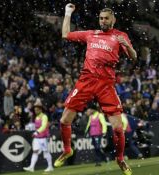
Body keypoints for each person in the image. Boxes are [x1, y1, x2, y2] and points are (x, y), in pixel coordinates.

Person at [54, 3, 137, 175]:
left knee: (118, 127)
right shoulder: (91, 34)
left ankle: (120, 159)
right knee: (64, 120)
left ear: (113, 19)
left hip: (106, 84)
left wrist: (127, 46)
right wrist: (68, 13)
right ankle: (67, 149)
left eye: (106, 18)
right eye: (101, 18)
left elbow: (133, 56)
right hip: (86, 81)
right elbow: (65, 34)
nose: (103, 21)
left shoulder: (120, 36)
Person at [23, 99, 54, 172]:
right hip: (37, 137)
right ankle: (31, 167)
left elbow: (43, 126)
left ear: (40, 110)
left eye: (37, 110)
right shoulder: (36, 117)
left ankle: (50, 166)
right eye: (35, 110)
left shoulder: (44, 116)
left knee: (46, 152)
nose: (35, 111)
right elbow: (36, 126)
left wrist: (37, 132)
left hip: (43, 137)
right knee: (35, 151)